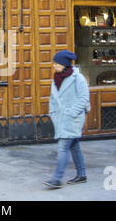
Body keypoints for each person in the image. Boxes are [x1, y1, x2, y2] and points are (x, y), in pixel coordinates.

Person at [43, 50, 90, 189]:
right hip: (60, 117)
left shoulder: (78, 78)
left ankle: (57, 179)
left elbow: (84, 98)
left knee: (63, 147)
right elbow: (52, 98)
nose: (54, 66)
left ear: (64, 64)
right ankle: (82, 175)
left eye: (56, 63)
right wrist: (52, 112)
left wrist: (72, 112)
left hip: (72, 118)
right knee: (74, 146)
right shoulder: (56, 78)